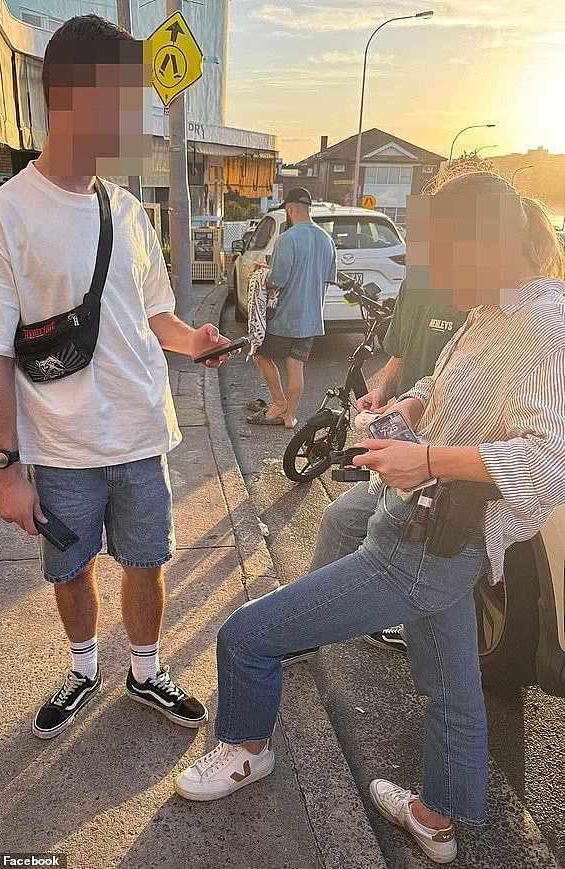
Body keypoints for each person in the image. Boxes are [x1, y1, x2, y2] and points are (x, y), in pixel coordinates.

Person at [174, 171, 565, 865]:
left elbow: (549, 462)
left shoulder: (543, 323)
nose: (437, 272)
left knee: (245, 635)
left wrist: (432, 460)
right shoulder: (490, 310)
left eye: (446, 252)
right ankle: (436, 822)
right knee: (452, 690)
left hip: (423, 546)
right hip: (436, 536)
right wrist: (407, 408)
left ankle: (246, 750)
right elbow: (441, 382)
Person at [0, 15, 230, 740]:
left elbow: (156, 314)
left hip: (141, 438)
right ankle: (82, 668)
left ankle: (144, 669)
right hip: (62, 449)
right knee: (70, 572)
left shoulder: (129, 211)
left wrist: (190, 339)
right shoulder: (0, 218)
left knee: (146, 561)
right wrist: (7, 472)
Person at [284, 279, 467, 662]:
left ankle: (318, 625)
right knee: (344, 520)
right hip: (402, 437)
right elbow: (401, 353)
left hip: (438, 456)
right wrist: (384, 390)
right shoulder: (418, 275)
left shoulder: (478, 292)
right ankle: (310, 627)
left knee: (407, 556)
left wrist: (429, 459)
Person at [246, 187, 336, 429]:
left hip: (285, 317)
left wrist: (261, 273)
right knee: (296, 366)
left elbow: (277, 281)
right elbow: (327, 280)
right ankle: (290, 417)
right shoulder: (327, 240)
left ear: (289, 209)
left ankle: (278, 403)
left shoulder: (287, 239)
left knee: (260, 354)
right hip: (311, 319)